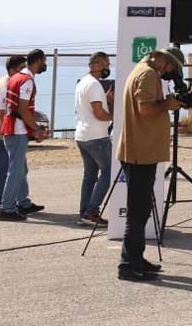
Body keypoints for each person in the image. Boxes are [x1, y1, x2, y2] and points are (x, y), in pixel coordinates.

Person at [115, 49, 183, 282]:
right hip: (139, 154)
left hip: (141, 152)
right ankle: (128, 265)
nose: (170, 73)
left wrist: (166, 104)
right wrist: (167, 105)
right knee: (137, 212)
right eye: (172, 68)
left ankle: (136, 258)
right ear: (164, 60)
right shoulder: (148, 75)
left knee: (142, 209)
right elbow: (145, 109)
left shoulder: (143, 71)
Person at [0, 49, 49, 221]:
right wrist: (36, 129)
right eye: (44, 61)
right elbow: (23, 109)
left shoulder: (16, 78)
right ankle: (7, 208)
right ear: (38, 61)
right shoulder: (27, 81)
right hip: (17, 129)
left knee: (21, 168)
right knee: (16, 170)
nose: (45, 65)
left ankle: (23, 203)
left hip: (10, 127)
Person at [75, 51, 114, 226]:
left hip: (82, 135)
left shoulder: (83, 82)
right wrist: (115, 116)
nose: (108, 67)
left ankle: (84, 212)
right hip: (96, 136)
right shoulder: (94, 85)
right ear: (98, 64)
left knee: (90, 175)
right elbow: (98, 113)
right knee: (109, 171)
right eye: (107, 64)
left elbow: (91, 108)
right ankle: (91, 211)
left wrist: (106, 100)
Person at [0, 55, 25, 214]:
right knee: (4, 167)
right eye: (21, 68)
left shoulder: (5, 80)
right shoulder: (7, 85)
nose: (24, 72)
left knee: (16, 168)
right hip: (4, 133)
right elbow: (4, 113)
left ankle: (20, 201)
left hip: (1, 131)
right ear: (12, 70)